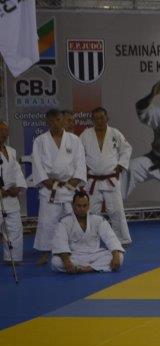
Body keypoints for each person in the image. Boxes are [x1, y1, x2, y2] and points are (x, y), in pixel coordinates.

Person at [32, 109, 86, 264]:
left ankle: (75, 248)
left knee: (73, 220)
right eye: (51, 121)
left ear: (63, 121)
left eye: (58, 120)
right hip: (50, 188)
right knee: (47, 222)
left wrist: (76, 179)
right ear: (47, 122)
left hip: (69, 186)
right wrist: (45, 180)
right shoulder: (40, 141)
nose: (55, 123)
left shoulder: (74, 139)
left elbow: (80, 161)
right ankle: (46, 251)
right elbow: (37, 163)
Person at [80, 107, 133, 245]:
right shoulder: (86, 135)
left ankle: (122, 238)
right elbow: (78, 153)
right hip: (93, 180)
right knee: (91, 211)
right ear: (92, 120)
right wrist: (82, 167)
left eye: (102, 118)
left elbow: (127, 149)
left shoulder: (115, 133)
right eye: (96, 118)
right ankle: (91, 239)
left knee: (116, 210)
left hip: (111, 178)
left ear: (107, 118)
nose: (99, 121)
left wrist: (121, 165)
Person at [51, 192, 124, 273]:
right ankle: (96, 267)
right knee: (56, 261)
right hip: (75, 255)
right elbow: (61, 242)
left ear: (88, 205)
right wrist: (67, 261)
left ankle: (85, 268)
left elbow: (110, 237)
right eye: (79, 206)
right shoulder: (64, 222)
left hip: (95, 254)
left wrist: (115, 254)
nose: (82, 209)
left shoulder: (98, 220)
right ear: (73, 205)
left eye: (84, 205)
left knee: (120, 256)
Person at [0, 121, 27, 264]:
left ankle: (13, 258)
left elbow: (17, 172)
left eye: (6, 130)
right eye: (1, 130)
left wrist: (18, 188)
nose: (4, 133)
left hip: (11, 197)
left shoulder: (11, 151)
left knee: (15, 229)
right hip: (1, 193)